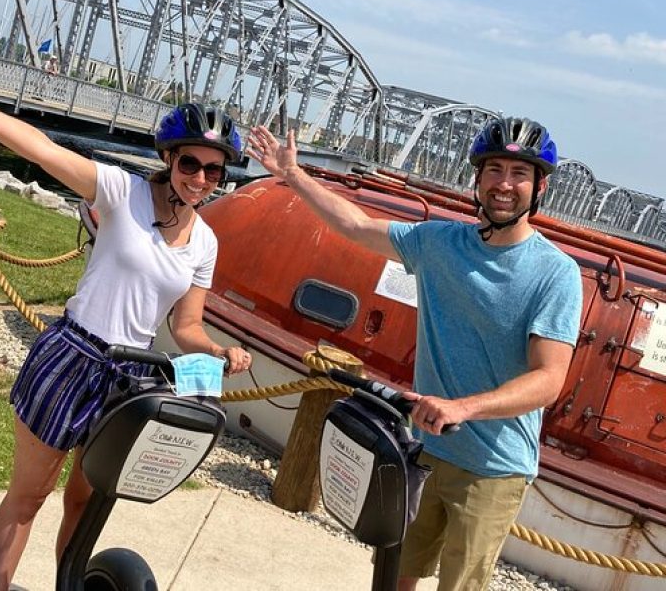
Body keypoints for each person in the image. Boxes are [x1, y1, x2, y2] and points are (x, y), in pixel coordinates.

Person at [0, 59, 252, 591]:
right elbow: (41, 149)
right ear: (168, 157)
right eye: (190, 164)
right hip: (73, 356)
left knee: (85, 502)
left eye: (214, 170)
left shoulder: (206, 242)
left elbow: (187, 327)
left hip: (127, 379)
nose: (200, 179)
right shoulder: (121, 192)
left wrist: (218, 350)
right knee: (29, 495)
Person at [247, 117, 581, 591]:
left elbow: (549, 379)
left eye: (519, 173)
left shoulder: (555, 273)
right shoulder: (438, 243)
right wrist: (294, 175)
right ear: (478, 178)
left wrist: (462, 407)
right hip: (425, 448)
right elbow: (355, 224)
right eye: (495, 170)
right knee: (394, 572)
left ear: (539, 186)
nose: (505, 184)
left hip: (494, 467)